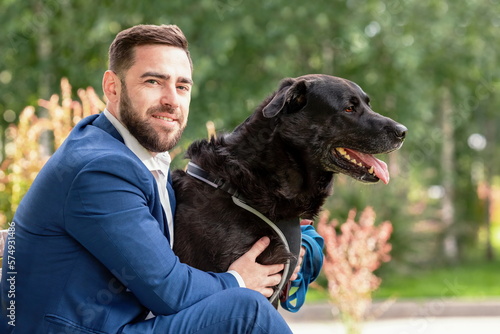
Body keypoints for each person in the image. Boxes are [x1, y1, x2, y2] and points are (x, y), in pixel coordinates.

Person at [0, 24, 302, 333]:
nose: (171, 100)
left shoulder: (133, 154)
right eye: (153, 81)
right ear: (112, 87)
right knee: (245, 311)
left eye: (182, 86)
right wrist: (239, 281)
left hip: (116, 322)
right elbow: (167, 291)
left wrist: (295, 245)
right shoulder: (100, 168)